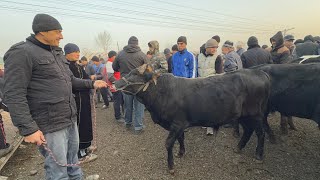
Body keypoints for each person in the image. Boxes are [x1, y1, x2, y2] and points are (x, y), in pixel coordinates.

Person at [3, 13, 106, 180]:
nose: (61, 36)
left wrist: (92, 84)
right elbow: (14, 94)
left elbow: (70, 80)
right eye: (57, 31)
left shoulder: (56, 53)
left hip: (69, 118)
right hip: (50, 124)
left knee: (73, 161)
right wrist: (28, 128)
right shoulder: (22, 53)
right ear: (42, 32)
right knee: (58, 170)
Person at [64, 43, 97, 163]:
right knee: (79, 125)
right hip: (76, 101)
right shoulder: (66, 66)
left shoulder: (77, 65)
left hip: (84, 99)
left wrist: (92, 80)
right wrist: (88, 82)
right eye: (75, 51)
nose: (78, 53)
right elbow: (74, 83)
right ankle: (79, 154)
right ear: (67, 53)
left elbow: (87, 78)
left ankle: (85, 147)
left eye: (78, 51)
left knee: (86, 123)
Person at [112, 36, 148, 134]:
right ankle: (138, 127)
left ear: (128, 43)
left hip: (125, 84)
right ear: (137, 43)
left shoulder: (120, 54)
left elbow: (114, 67)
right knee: (139, 106)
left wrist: (123, 71)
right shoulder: (142, 55)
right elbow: (147, 68)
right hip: (139, 85)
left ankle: (128, 123)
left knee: (127, 105)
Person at [197, 39, 224, 135]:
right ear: (207, 48)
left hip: (211, 85)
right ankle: (203, 122)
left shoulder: (218, 57)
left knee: (211, 106)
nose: (214, 49)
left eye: (216, 47)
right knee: (201, 104)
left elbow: (219, 74)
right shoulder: (199, 56)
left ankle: (210, 126)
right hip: (200, 84)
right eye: (212, 47)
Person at [105, 50, 124, 122]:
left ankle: (120, 115)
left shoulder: (112, 63)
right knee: (117, 101)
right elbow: (110, 76)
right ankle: (118, 117)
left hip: (118, 86)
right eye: (116, 56)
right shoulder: (109, 64)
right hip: (115, 86)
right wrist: (118, 82)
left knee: (121, 100)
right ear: (113, 56)